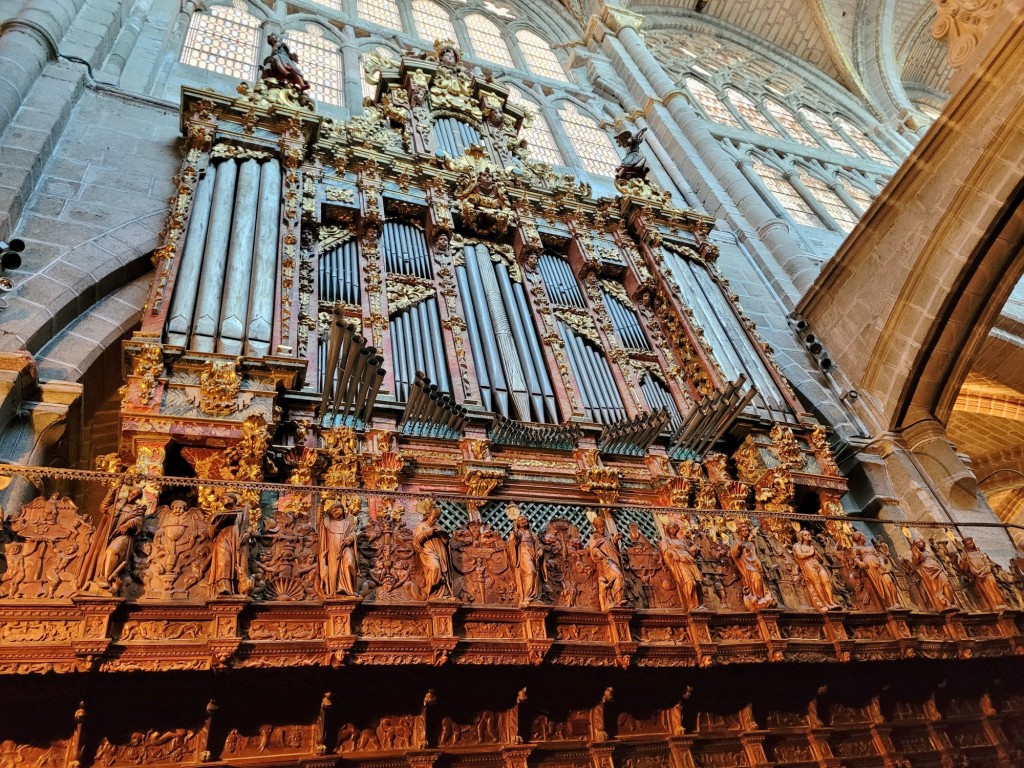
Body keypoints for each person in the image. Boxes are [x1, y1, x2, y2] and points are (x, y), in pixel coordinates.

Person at [659, 522, 705, 611]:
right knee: (690, 582)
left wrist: (695, 549)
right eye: (671, 528)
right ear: (668, 530)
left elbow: (689, 551)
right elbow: (665, 551)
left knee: (698, 583)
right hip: (680, 563)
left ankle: (700, 605)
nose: (673, 530)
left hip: (690, 561)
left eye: (674, 528)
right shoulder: (666, 541)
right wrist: (672, 552)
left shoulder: (682, 541)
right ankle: (693, 605)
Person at [413, 500, 454, 599]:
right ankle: (431, 591)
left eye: (437, 518)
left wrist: (444, 537)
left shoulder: (439, 527)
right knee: (435, 567)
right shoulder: (422, 526)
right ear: (428, 515)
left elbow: (446, 542)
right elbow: (416, 540)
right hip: (428, 552)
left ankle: (442, 593)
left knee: (442, 572)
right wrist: (428, 533)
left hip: (440, 552)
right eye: (433, 517)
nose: (435, 520)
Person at [850, 531, 903, 609]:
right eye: (863, 535)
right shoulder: (855, 548)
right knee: (880, 584)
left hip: (879, 565)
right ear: (859, 537)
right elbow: (854, 558)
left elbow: (877, 555)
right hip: (869, 566)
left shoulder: (870, 547)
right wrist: (861, 563)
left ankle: (895, 602)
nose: (865, 536)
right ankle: (889, 604)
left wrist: (881, 563)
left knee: (888, 581)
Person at [730, 521, 776, 608]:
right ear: (739, 532)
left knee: (759, 579)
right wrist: (739, 546)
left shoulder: (751, 543)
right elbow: (734, 554)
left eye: (746, 530)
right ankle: (758, 598)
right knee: (756, 578)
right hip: (747, 567)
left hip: (755, 565)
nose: (745, 532)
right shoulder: (737, 542)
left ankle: (761, 597)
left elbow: (755, 556)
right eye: (743, 530)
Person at [792, 529, 841, 611]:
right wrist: (811, 553)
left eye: (809, 534)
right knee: (817, 583)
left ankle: (831, 602)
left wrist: (817, 555)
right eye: (805, 535)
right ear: (801, 537)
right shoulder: (797, 546)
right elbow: (800, 555)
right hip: (807, 564)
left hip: (817, 564)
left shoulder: (812, 546)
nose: (808, 536)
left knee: (826, 581)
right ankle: (825, 604)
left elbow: (821, 561)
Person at [319, 497, 359, 596]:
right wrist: (321, 505)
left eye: (337, 509)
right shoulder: (327, 522)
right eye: (332, 511)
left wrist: (350, 538)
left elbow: (353, 533)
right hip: (332, 549)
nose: (335, 512)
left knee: (350, 562)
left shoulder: (347, 522)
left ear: (342, 509)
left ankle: (349, 589)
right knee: (334, 569)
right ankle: (335, 590)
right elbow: (319, 520)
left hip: (345, 548)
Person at [958, 537, 1008, 611]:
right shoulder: (966, 556)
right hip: (977, 575)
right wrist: (964, 561)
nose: (969, 545)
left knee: (993, 586)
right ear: (965, 546)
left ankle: (1000, 603)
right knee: (986, 591)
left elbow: (987, 562)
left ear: (973, 543)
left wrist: (986, 568)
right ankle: (993, 605)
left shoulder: (981, 553)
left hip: (987, 572)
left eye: (970, 543)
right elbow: (964, 568)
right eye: (967, 544)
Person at [909, 537, 957, 611]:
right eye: (917, 543)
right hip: (928, 571)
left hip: (938, 569)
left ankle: (951, 602)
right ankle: (944, 604)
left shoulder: (929, 552)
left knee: (946, 584)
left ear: (923, 542)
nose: (919, 544)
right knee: (936, 588)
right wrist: (915, 552)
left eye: (920, 542)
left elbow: (938, 560)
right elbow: (915, 563)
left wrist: (944, 569)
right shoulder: (915, 555)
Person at [507, 512, 545, 604]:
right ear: (517, 523)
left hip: (533, 555)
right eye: (520, 520)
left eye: (524, 519)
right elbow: (512, 544)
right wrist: (515, 537)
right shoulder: (515, 533)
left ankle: (535, 596)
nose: (523, 521)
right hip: (523, 555)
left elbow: (538, 545)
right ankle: (528, 596)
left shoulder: (532, 534)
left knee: (535, 574)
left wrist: (541, 550)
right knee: (531, 571)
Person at [588, 516, 625, 610]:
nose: (602, 529)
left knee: (619, 577)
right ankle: (618, 600)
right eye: (600, 527)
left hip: (614, 560)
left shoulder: (608, 536)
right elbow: (592, 550)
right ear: (596, 528)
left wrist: (615, 540)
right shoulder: (594, 537)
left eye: (603, 527)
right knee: (618, 576)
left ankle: (619, 599)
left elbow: (613, 546)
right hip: (606, 562)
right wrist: (597, 552)